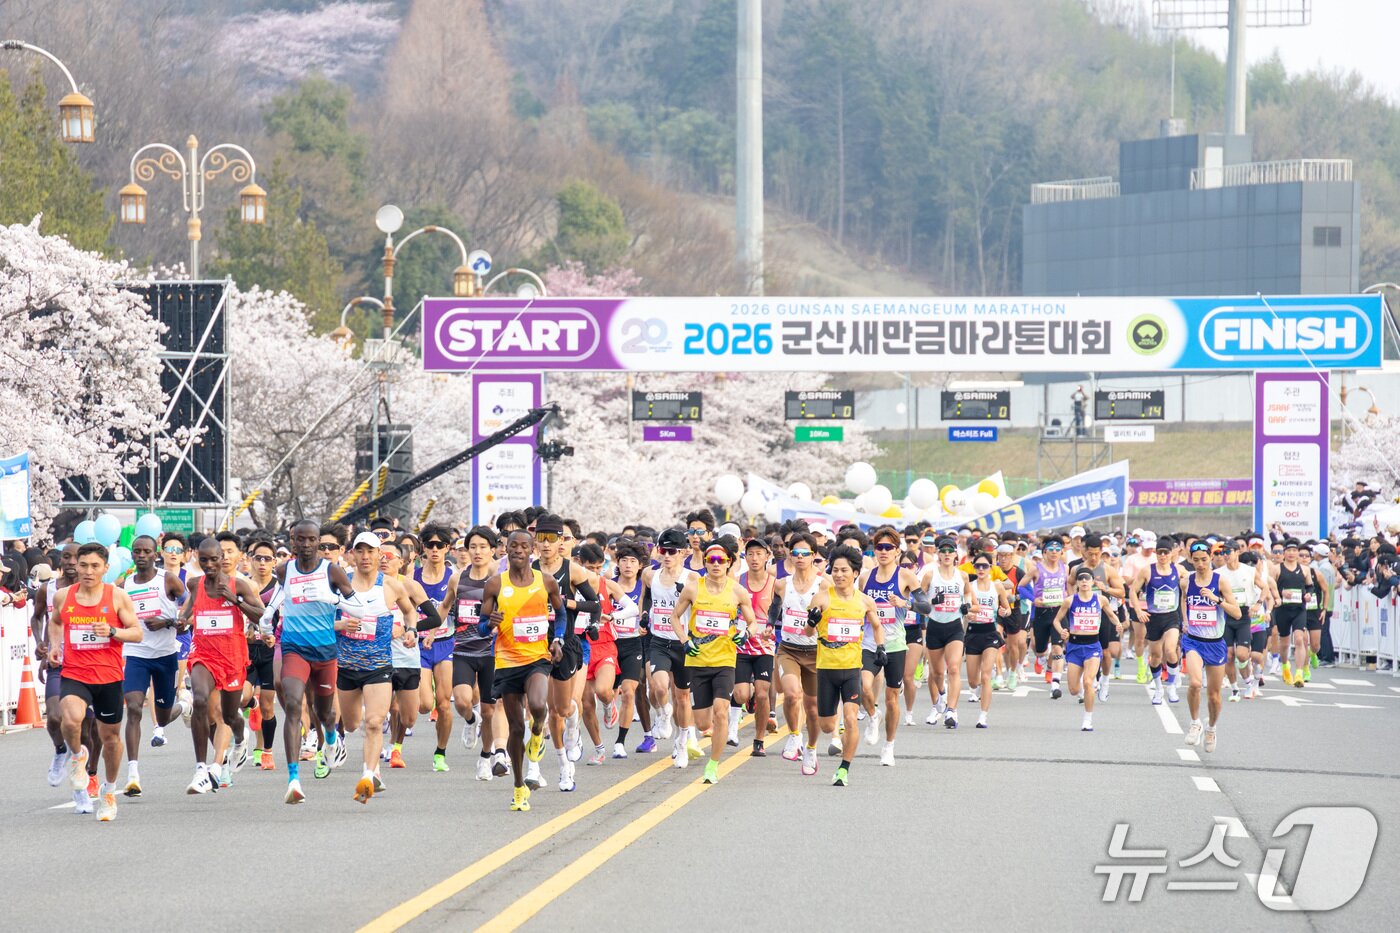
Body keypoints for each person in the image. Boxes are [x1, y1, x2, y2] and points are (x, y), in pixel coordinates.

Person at [47, 543, 143, 822]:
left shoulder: (117, 597)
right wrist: (55, 645)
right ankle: (77, 756)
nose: (88, 571)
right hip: (76, 673)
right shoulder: (64, 596)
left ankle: (109, 792)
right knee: (70, 718)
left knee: (110, 739)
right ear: (76, 566)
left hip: (109, 677)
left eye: (94, 566)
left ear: (105, 569)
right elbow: (55, 622)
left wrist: (113, 631)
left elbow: (137, 633)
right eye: (83, 565)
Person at [478, 530, 567, 812]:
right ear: (506, 550)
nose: (518, 550)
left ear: (533, 550)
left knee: (539, 706)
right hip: (506, 662)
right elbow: (481, 625)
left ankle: (538, 732)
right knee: (516, 728)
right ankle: (518, 787)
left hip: (537, 658)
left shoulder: (546, 581)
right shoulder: (495, 584)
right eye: (512, 545)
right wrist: (489, 622)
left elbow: (561, 613)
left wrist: (558, 638)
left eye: (524, 546)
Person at [269, 519, 356, 804]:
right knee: (293, 703)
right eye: (300, 539)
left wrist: (332, 600)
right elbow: (278, 599)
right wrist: (266, 619)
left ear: (318, 542)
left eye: (311, 540)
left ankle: (330, 738)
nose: (305, 545)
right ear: (292, 541)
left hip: (325, 651)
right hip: (295, 647)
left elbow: (358, 607)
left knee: (325, 713)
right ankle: (293, 779)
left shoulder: (332, 571)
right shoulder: (284, 570)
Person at [337, 532, 421, 803]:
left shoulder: (392, 586)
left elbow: (410, 612)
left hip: (380, 666)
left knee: (373, 723)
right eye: (359, 551)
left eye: (370, 551)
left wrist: (410, 630)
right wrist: (340, 625)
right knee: (351, 725)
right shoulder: (340, 584)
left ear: (379, 556)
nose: (364, 556)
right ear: (352, 555)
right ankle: (366, 764)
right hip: (346, 665)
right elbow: (324, 617)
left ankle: (368, 775)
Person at [178, 538, 265, 795]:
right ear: (197, 559)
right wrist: (180, 622)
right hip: (203, 654)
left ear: (222, 559)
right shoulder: (195, 584)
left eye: (214, 559)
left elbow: (262, 615)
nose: (209, 564)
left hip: (232, 657)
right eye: (203, 560)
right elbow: (186, 613)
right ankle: (201, 768)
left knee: (229, 716)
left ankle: (241, 735)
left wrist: (236, 601)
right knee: (201, 701)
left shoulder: (239, 585)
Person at [671, 540, 755, 784]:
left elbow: (753, 622)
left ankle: (713, 765)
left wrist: (746, 632)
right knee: (703, 722)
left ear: (729, 563)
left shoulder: (737, 591)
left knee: (721, 713)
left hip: (725, 661)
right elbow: (674, 617)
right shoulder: (693, 588)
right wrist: (685, 641)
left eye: (721, 560)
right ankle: (696, 739)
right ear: (705, 563)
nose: (716, 564)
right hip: (698, 661)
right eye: (711, 560)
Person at [805, 546, 884, 786]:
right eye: (835, 570)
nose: (839, 575)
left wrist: (880, 648)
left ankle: (844, 769)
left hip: (852, 669)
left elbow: (877, 626)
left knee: (850, 718)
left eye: (844, 571)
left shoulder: (865, 601)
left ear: (855, 573)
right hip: (826, 668)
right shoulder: (822, 598)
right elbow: (808, 632)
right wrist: (812, 622)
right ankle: (826, 742)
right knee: (828, 725)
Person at [120, 535, 189, 797]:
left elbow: (188, 612)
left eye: (146, 551)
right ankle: (133, 773)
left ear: (155, 553)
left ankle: (184, 705)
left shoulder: (167, 580)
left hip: (165, 654)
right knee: (135, 707)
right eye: (137, 551)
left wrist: (167, 621)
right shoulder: (125, 585)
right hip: (136, 654)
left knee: (162, 716)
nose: (141, 555)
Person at [859, 525, 930, 764]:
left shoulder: (905, 576)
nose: (883, 551)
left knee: (891, 698)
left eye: (888, 547)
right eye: (879, 547)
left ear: (897, 551)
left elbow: (926, 607)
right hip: (869, 642)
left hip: (896, 645)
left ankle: (889, 746)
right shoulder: (865, 577)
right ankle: (872, 715)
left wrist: (904, 603)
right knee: (864, 686)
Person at [450, 525, 508, 780]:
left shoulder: (500, 581)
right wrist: (422, 629)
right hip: (463, 649)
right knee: (462, 700)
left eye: (483, 547)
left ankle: (485, 758)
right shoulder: (458, 578)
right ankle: (470, 721)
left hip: (490, 653)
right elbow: (443, 609)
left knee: (489, 711)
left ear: (493, 550)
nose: (477, 551)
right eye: (472, 546)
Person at [645, 527, 699, 769]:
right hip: (658, 640)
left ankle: (682, 740)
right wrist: (643, 615)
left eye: (672, 551)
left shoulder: (692, 579)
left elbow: (701, 607)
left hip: (682, 642)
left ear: (684, 553)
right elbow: (645, 597)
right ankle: (663, 713)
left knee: (683, 697)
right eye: (662, 550)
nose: (666, 555)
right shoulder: (649, 574)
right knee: (658, 685)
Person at [1180, 542, 1240, 751]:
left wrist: (1216, 600)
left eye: (1204, 559)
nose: (1200, 564)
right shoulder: (1187, 580)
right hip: (1194, 640)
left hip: (1215, 643)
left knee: (1214, 696)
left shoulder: (1220, 581)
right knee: (1195, 683)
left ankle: (1211, 728)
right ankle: (1195, 723)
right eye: (1195, 560)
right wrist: (1185, 620)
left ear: (1211, 558)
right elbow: (1183, 600)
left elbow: (1237, 613)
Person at [774, 532, 823, 773]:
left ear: (814, 556)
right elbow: (773, 611)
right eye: (795, 553)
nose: (800, 557)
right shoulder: (782, 584)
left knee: (813, 709)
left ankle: (811, 749)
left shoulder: (824, 584)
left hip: (815, 653)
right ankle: (794, 734)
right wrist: (765, 627)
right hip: (789, 649)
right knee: (792, 695)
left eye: (805, 553)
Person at [413, 521, 459, 774]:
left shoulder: (454, 577)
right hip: (418, 644)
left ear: (447, 548)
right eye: (430, 545)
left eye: (439, 545)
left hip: (445, 642)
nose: (434, 550)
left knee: (443, 704)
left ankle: (440, 752)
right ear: (423, 547)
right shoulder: (413, 576)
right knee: (424, 704)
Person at [1051, 568, 1118, 732]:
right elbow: (1056, 621)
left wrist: (1119, 624)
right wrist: (1061, 631)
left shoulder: (1100, 599)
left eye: (1087, 578)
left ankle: (1087, 720)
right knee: (1073, 690)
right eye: (1081, 579)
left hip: (1093, 646)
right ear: (1078, 582)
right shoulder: (1069, 600)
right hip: (1074, 646)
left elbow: (1110, 615)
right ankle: (1085, 689)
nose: (1084, 581)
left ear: (1093, 582)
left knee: (1088, 682)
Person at [1128, 536, 1184, 706]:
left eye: (1165, 552)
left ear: (1171, 553)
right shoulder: (1148, 570)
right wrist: (1138, 610)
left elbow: (1193, 584)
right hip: (1153, 617)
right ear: (1155, 553)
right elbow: (1133, 591)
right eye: (1159, 552)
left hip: (1171, 616)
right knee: (1155, 656)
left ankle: (1172, 685)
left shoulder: (1179, 570)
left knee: (1170, 650)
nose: (1162, 556)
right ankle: (1159, 689)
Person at [735, 537, 778, 757]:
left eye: (759, 554)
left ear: (767, 556)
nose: (754, 558)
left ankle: (758, 740)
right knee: (741, 695)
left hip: (764, 646)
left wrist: (772, 626)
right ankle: (747, 696)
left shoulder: (774, 583)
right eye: (750, 554)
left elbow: (781, 611)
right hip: (740, 645)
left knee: (762, 694)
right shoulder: (736, 581)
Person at [963, 554, 1008, 729]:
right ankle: (977, 690)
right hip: (973, 633)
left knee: (986, 675)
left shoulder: (997, 586)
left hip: (990, 632)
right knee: (973, 681)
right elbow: (964, 608)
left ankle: (983, 716)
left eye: (984, 566)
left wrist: (1004, 613)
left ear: (991, 567)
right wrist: (967, 613)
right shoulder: (970, 586)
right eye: (978, 566)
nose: (981, 569)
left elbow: (1006, 609)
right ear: (974, 568)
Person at [1024, 536, 1068, 700]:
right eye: (1051, 550)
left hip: (1059, 612)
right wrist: (1033, 598)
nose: (1055, 553)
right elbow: (1021, 586)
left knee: (1058, 648)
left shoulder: (1065, 567)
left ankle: (1055, 684)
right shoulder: (1036, 569)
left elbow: (1068, 587)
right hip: (1042, 613)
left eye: (1058, 550)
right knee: (1039, 648)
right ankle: (1043, 658)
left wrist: (1069, 598)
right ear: (1044, 552)